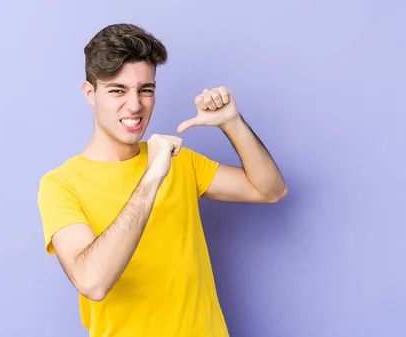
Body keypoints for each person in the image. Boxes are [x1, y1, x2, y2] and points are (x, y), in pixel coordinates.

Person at [36, 23, 287, 337]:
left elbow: (270, 190)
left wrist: (232, 123)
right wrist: (152, 176)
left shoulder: (178, 160)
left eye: (146, 89)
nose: (135, 104)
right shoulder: (61, 184)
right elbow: (93, 281)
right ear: (91, 93)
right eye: (117, 90)